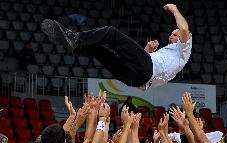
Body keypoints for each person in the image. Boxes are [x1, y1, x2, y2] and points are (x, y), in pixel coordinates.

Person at [41, 4, 192, 89]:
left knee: (110, 33)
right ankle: (73, 45)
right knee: (98, 48)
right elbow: (144, 68)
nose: (170, 37)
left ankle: (75, 39)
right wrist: (147, 51)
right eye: (171, 34)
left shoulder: (183, 49)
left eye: (174, 35)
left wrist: (174, 9)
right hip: (136, 80)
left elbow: (184, 29)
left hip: (145, 70)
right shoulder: (170, 55)